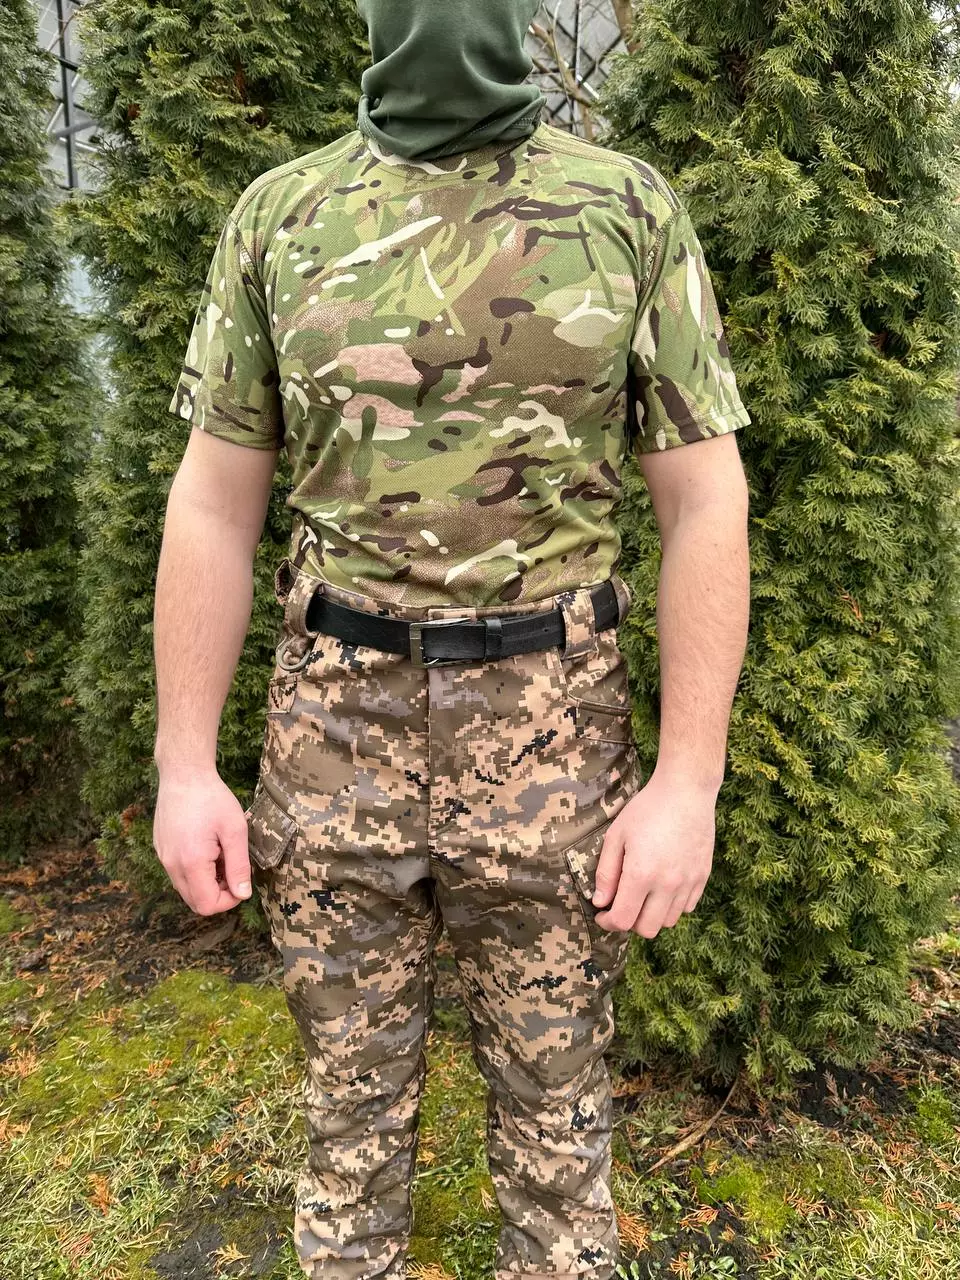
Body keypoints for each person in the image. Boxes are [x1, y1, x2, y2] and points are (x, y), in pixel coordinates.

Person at [152, 1, 751, 1276]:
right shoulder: (279, 217)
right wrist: (183, 764)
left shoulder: (626, 211)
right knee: (346, 1124)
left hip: (553, 739)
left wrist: (690, 777)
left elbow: (706, 500)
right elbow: (211, 501)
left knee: (558, 1132)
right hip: (334, 736)